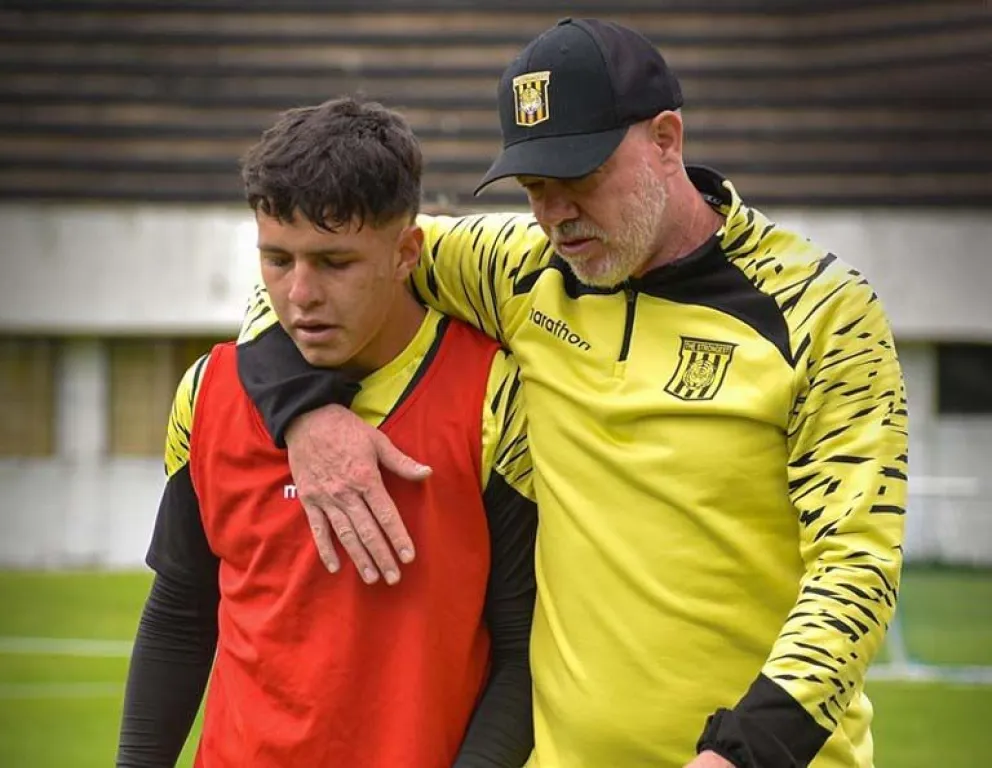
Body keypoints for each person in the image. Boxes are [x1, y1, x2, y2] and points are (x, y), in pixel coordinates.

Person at [235, 19, 908, 768]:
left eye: (580, 178)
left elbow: (856, 569)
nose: (554, 214)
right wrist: (309, 414)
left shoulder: (821, 310)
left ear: (666, 139)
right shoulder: (519, 268)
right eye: (533, 188)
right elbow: (324, 268)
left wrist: (741, 755)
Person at [115, 97, 538, 768]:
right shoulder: (208, 392)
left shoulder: (495, 397)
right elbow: (178, 614)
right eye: (277, 260)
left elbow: (524, 652)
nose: (301, 294)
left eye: (334, 263)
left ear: (407, 252)